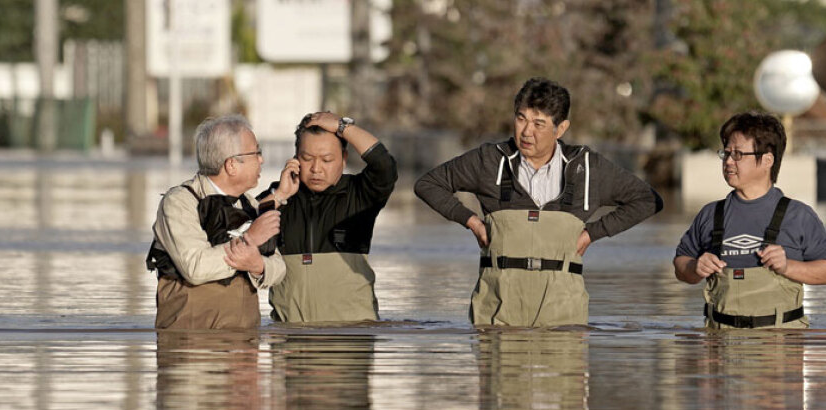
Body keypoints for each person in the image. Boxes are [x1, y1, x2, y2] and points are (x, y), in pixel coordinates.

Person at [414, 77, 663, 327]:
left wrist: (593, 233)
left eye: (538, 123)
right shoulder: (489, 160)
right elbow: (428, 184)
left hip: (564, 316)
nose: (526, 132)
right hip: (495, 314)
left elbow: (647, 200)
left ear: (561, 128)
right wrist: (472, 222)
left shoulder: (588, 168)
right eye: (521, 118)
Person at [673, 111, 826, 329]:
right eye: (726, 153)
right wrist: (695, 267)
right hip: (720, 342)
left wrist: (787, 266)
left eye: (738, 154)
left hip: (783, 342)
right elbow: (680, 265)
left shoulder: (798, 215)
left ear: (767, 160)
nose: (728, 162)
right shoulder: (710, 214)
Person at [146, 114, 299, 329]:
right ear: (231, 165)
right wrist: (249, 239)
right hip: (189, 343)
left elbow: (279, 267)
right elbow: (195, 267)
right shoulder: (180, 202)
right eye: (256, 153)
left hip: (245, 341)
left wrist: (257, 265)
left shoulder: (249, 204)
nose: (262, 160)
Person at [263, 111, 398, 323]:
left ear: (343, 159)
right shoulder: (279, 198)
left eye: (326, 160)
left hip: (351, 336)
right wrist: (279, 196)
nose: (316, 168)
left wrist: (343, 127)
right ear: (295, 158)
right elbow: (242, 230)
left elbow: (385, 166)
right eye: (307, 158)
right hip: (290, 338)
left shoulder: (360, 194)